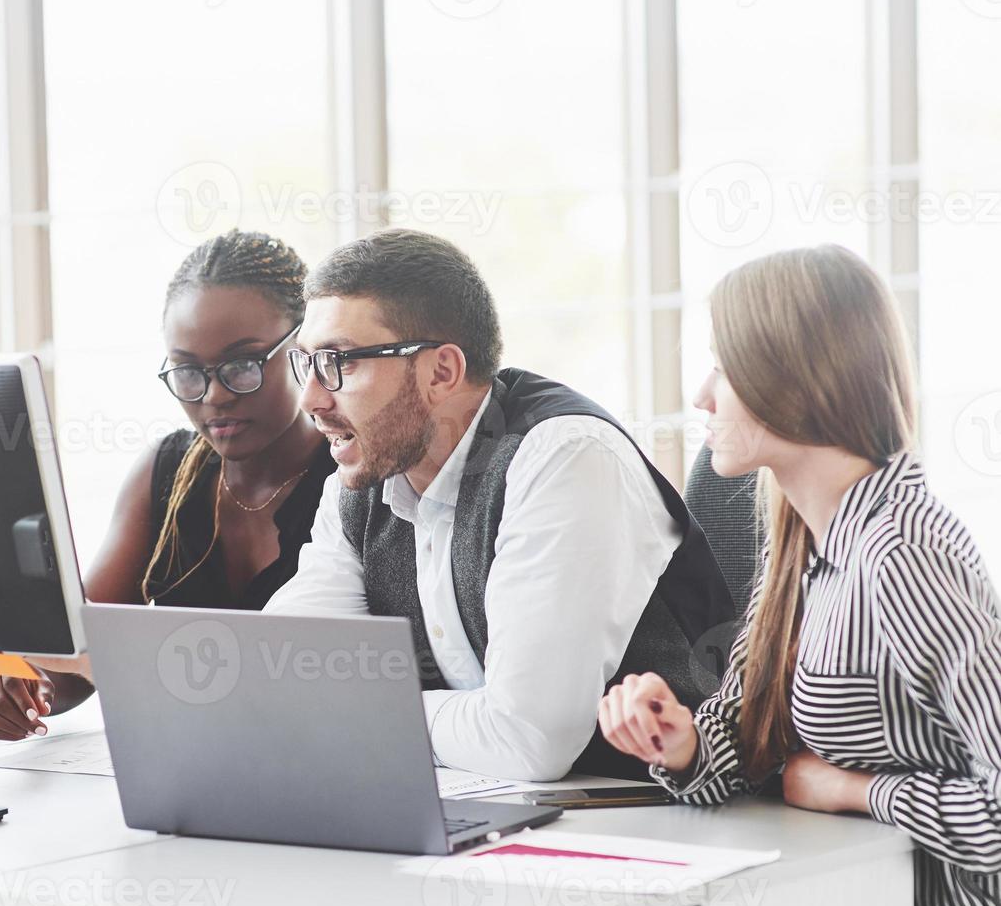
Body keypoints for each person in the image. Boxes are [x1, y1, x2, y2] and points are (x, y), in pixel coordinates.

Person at [597, 244, 1001, 906]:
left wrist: (854, 790)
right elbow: (751, 748)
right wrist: (682, 742)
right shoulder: (801, 540)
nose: (702, 395)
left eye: (724, 366)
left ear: (792, 379)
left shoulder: (905, 555)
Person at [260, 228, 734, 780]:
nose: (313, 399)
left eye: (340, 362)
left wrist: (365, 713)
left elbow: (528, 740)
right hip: (482, 806)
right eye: (307, 363)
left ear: (441, 372)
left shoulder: (564, 457)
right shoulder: (361, 482)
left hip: (656, 822)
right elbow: (286, 678)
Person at [0, 230, 334, 740]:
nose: (214, 396)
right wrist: (26, 684)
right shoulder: (167, 472)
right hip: (190, 764)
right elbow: (80, 648)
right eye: (188, 372)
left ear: (302, 346)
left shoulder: (351, 478)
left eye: (242, 365)